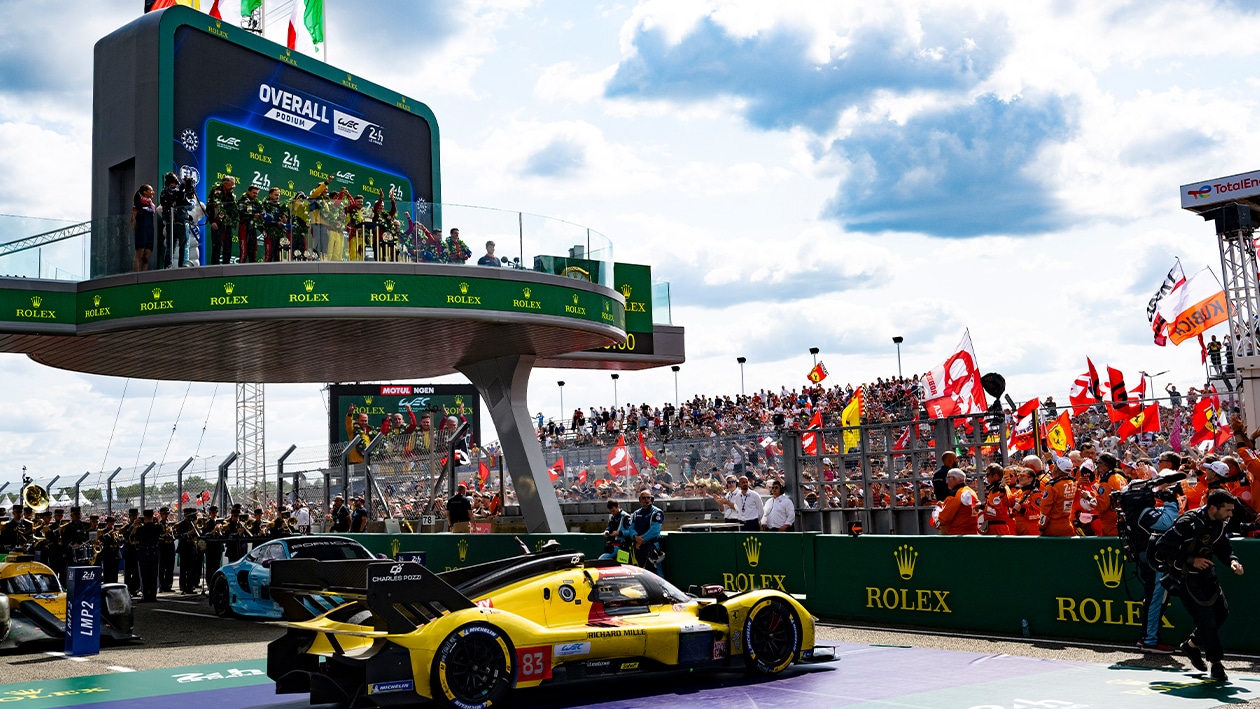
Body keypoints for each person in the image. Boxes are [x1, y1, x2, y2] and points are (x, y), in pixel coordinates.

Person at [1154, 489, 1245, 681]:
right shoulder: (1188, 522)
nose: (1230, 514)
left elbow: (1223, 548)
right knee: (1206, 619)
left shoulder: (1220, 524)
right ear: (1213, 508)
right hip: (1185, 577)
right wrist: (1191, 560)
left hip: (1206, 576)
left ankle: (1191, 645)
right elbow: (1162, 546)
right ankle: (1216, 663)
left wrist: (1232, 561)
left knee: (1221, 612)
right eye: (1227, 510)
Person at [1040, 456, 1078, 537]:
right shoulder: (1074, 483)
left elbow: (1045, 509)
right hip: (1068, 526)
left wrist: (1041, 527)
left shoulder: (1052, 486)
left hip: (1052, 529)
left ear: (1056, 468)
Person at [630, 490, 664, 574]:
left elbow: (655, 530)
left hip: (652, 545)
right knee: (641, 570)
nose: (646, 500)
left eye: (648, 498)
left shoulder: (656, 512)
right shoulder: (636, 513)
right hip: (639, 547)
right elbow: (631, 528)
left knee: (655, 570)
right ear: (640, 500)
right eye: (644, 498)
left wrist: (642, 540)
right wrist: (635, 537)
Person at [935, 469, 979, 535]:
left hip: (957, 535)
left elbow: (943, 520)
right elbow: (962, 508)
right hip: (973, 534)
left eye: (947, 478)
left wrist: (934, 518)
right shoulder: (971, 492)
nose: (946, 482)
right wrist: (944, 505)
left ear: (954, 479)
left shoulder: (954, 495)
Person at [206, 176, 238, 265]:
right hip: (217, 223)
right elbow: (209, 209)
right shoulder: (215, 193)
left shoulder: (231, 195)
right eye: (231, 185)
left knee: (228, 246)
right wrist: (212, 221)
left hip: (227, 224)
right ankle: (214, 269)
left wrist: (233, 221)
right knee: (216, 247)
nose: (233, 187)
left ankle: (226, 267)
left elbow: (233, 209)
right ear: (225, 184)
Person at [134, 509, 162, 602]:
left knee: (144, 576)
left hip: (143, 553)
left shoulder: (140, 528)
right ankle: (153, 596)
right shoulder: (157, 527)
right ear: (152, 516)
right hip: (154, 553)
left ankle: (145, 596)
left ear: (144, 517)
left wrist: (134, 525)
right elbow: (163, 533)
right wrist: (158, 522)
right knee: (154, 575)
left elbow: (130, 537)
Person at [980, 464, 1013, 536]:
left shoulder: (1000, 489)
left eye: (987, 474)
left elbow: (997, 512)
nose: (986, 477)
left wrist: (982, 506)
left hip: (998, 527)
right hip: (994, 526)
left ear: (995, 476)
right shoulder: (995, 489)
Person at [175, 507, 203, 595]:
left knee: (192, 568)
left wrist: (198, 531)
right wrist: (189, 533)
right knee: (184, 568)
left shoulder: (195, 523)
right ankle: (183, 586)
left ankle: (191, 586)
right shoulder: (181, 524)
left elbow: (200, 534)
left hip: (193, 548)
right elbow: (179, 535)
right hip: (184, 548)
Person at [236, 184, 264, 263]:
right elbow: (241, 213)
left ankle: (253, 270)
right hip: (244, 228)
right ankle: (240, 269)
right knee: (244, 252)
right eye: (253, 193)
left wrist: (262, 229)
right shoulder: (242, 201)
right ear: (248, 192)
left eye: (256, 193)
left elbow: (260, 216)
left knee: (253, 252)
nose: (255, 195)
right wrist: (253, 215)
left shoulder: (257, 203)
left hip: (253, 229)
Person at [132, 184, 156, 272]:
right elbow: (133, 218)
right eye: (151, 190)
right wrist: (135, 229)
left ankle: (143, 275)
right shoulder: (137, 204)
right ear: (145, 192)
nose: (153, 192)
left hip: (149, 231)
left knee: (146, 257)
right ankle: (136, 276)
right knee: (139, 255)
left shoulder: (151, 205)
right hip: (141, 231)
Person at [157, 507, 176, 592]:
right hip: (162, 548)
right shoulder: (159, 525)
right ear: (161, 515)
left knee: (170, 568)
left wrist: (173, 531)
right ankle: (161, 586)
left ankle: (168, 585)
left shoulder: (170, 524)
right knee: (162, 568)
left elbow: (175, 536)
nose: (166, 515)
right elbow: (158, 537)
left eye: (167, 514)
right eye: (164, 514)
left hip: (170, 547)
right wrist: (166, 533)